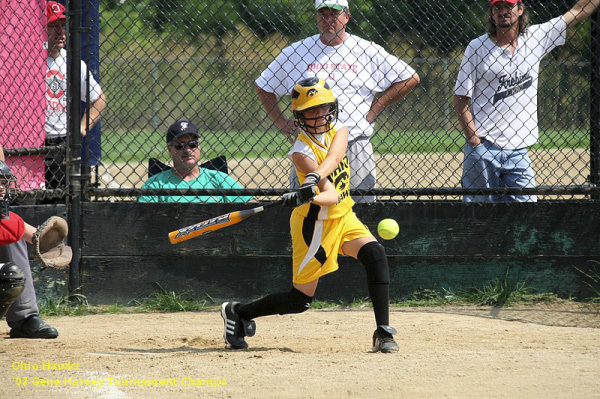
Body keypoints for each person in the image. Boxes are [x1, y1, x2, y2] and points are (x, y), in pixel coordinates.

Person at [221, 78, 399, 353]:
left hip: (343, 217)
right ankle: (239, 312)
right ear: (299, 116)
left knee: (375, 255)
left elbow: (336, 156)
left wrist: (312, 179)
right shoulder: (300, 152)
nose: (319, 115)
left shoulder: (339, 128)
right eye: (310, 111)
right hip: (313, 227)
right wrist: (308, 195)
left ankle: (383, 333)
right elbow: (330, 196)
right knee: (299, 300)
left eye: (323, 108)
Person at [255, 0, 420, 203]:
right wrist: (281, 122)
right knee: (307, 208)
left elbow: (410, 77)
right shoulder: (296, 52)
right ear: (316, 17)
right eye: (323, 14)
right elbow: (263, 85)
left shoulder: (366, 50)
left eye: (334, 13)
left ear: (347, 17)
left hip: (354, 141)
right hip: (311, 146)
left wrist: (377, 107)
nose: (328, 19)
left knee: (361, 209)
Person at [453, 0, 600, 202]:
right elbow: (460, 99)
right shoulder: (477, 48)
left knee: (526, 210)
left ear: (521, 10)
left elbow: (578, 11)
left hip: (519, 149)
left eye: (509, 6)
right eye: (497, 7)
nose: (503, 11)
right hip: (484, 146)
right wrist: (474, 141)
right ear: (491, 13)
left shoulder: (535, 38)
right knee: (478, 215)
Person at [45, 1, 106, 193]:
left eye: (63, 25)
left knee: (61, 197)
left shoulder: (71, 61)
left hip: (62, 142)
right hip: (34, 141)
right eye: (53, 25)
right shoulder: (31, 58)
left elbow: (99, 99)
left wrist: (81, 127)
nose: (60, 31)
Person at [0, 152, 58, 339]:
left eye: (3, 183)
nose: (3, 189)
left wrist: (54, 244)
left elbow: (36, 237)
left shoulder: (6, 219)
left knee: (12, 269)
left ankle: (24, 318)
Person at [138, 121, 253, 203]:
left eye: (193, 144)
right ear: (170, 150)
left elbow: (251, 202)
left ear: (199, 147)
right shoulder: (155, 184)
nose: (188, 150)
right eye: (180, 145)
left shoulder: (217, 179)